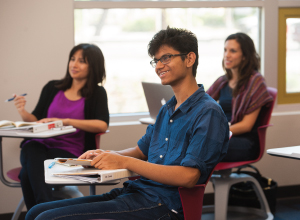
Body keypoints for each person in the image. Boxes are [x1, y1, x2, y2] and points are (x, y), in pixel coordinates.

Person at [25, 27, 229, 220]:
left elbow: (189, 177)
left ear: (189, 58)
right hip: (139, 192)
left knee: (45, 218)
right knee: (36, 211)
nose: (158, 66)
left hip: (165, 205)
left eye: (166, 58)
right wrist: (106, 154)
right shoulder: (168, 109)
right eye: (156, 60)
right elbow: (140, 151)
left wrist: (124, 162)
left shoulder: (208, 112)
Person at [13, 44, 109, 210]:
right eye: (72, 59)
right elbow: (35, 119)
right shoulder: (52, 87)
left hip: (70, 151)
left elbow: (102, 124)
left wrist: (66, 121)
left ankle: (40, 213)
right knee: (31, 149)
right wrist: (22, 111)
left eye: (82, 61)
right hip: (39, 145)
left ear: (93, 66)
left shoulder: (97, 93)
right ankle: (47, 212)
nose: (74, 64)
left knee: (27, 173)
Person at [206, 33, 273, 162]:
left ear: (245, 56)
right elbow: (201, 104)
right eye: (225, 50)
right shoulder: (222, 81)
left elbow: (246, 125)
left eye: (233, 51)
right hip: (222, 135)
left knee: (200, 146)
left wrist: (215, 132)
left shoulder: (256, 83)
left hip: (244, 141)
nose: (227, 55)